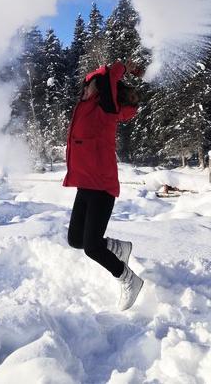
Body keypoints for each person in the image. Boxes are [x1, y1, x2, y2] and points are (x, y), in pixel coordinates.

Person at [62, 59, 144, 311]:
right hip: (85, 185)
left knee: (92, 247)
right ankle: (120, 248)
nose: (83, 90)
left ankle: (129, 279)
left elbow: (111, 72)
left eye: (88, 86)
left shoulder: (105, 107)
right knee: (76, 239)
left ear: (100, 88)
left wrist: (126, 68)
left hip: (101, 186)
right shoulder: (86, 106)